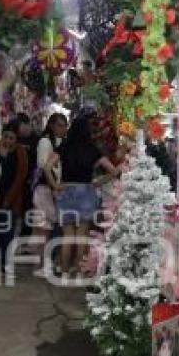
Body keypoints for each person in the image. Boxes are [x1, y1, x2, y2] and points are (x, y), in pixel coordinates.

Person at [43, 114, 119, 279]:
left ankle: (63, 272)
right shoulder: (92, 149)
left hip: (66, 191)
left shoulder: (64, 147)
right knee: (82, 236)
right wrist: (97, 183)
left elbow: (47, 167)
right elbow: (114, 171)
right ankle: (78, 272)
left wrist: (55, 185)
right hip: (86, 192)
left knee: (67, 235)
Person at [30, 113, 68, 277]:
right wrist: (54, 184)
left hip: (50, 189)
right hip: (45, 190)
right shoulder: (45, 142)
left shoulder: (58, 142)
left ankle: (44, 264)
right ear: (51, 125)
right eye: (60, 125)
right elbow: (43, 166)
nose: (63, 129)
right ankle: (43, 265)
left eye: (64, 125)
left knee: (46, 228)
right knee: (44, 229)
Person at [0, 121, 29, 273]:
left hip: (11, 198)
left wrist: (9, 199)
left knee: (7, 232)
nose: (8, 141)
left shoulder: (20, 152)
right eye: (6, 137)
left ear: (16, 139)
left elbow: (21, 176)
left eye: (11, 138)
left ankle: (5, 263)